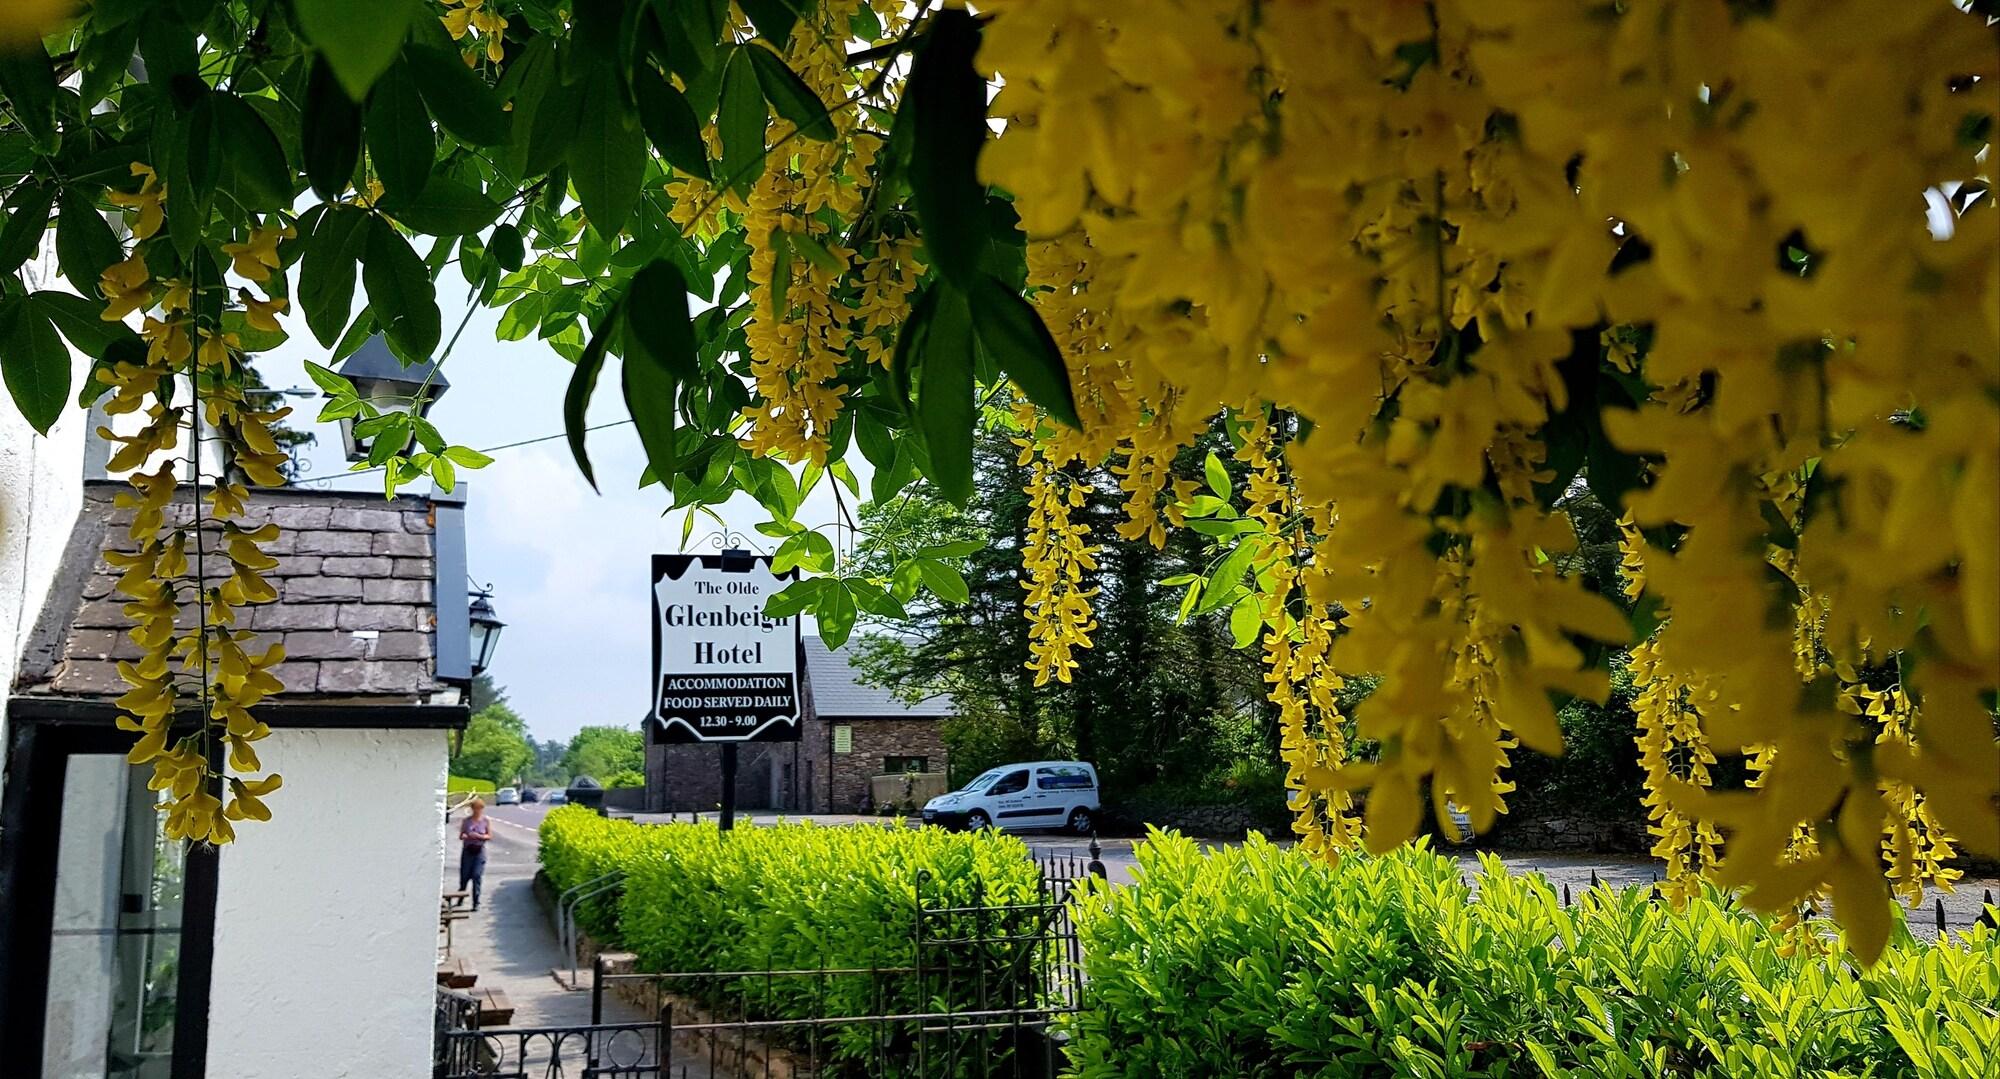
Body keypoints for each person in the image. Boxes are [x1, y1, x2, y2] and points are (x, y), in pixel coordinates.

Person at [458, 797, 492, 910]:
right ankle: (460, 897)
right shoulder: (466, 821)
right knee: (465, 876)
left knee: (477, 875)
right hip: (468, 850)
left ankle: (476, 902)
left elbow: (489, 836)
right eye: (475, 808)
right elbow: (461, 835)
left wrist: (479, 836)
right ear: (472, 809)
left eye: (479, 808)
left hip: (479, 851)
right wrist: (466, 836)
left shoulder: (486, 821)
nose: (477, 810)